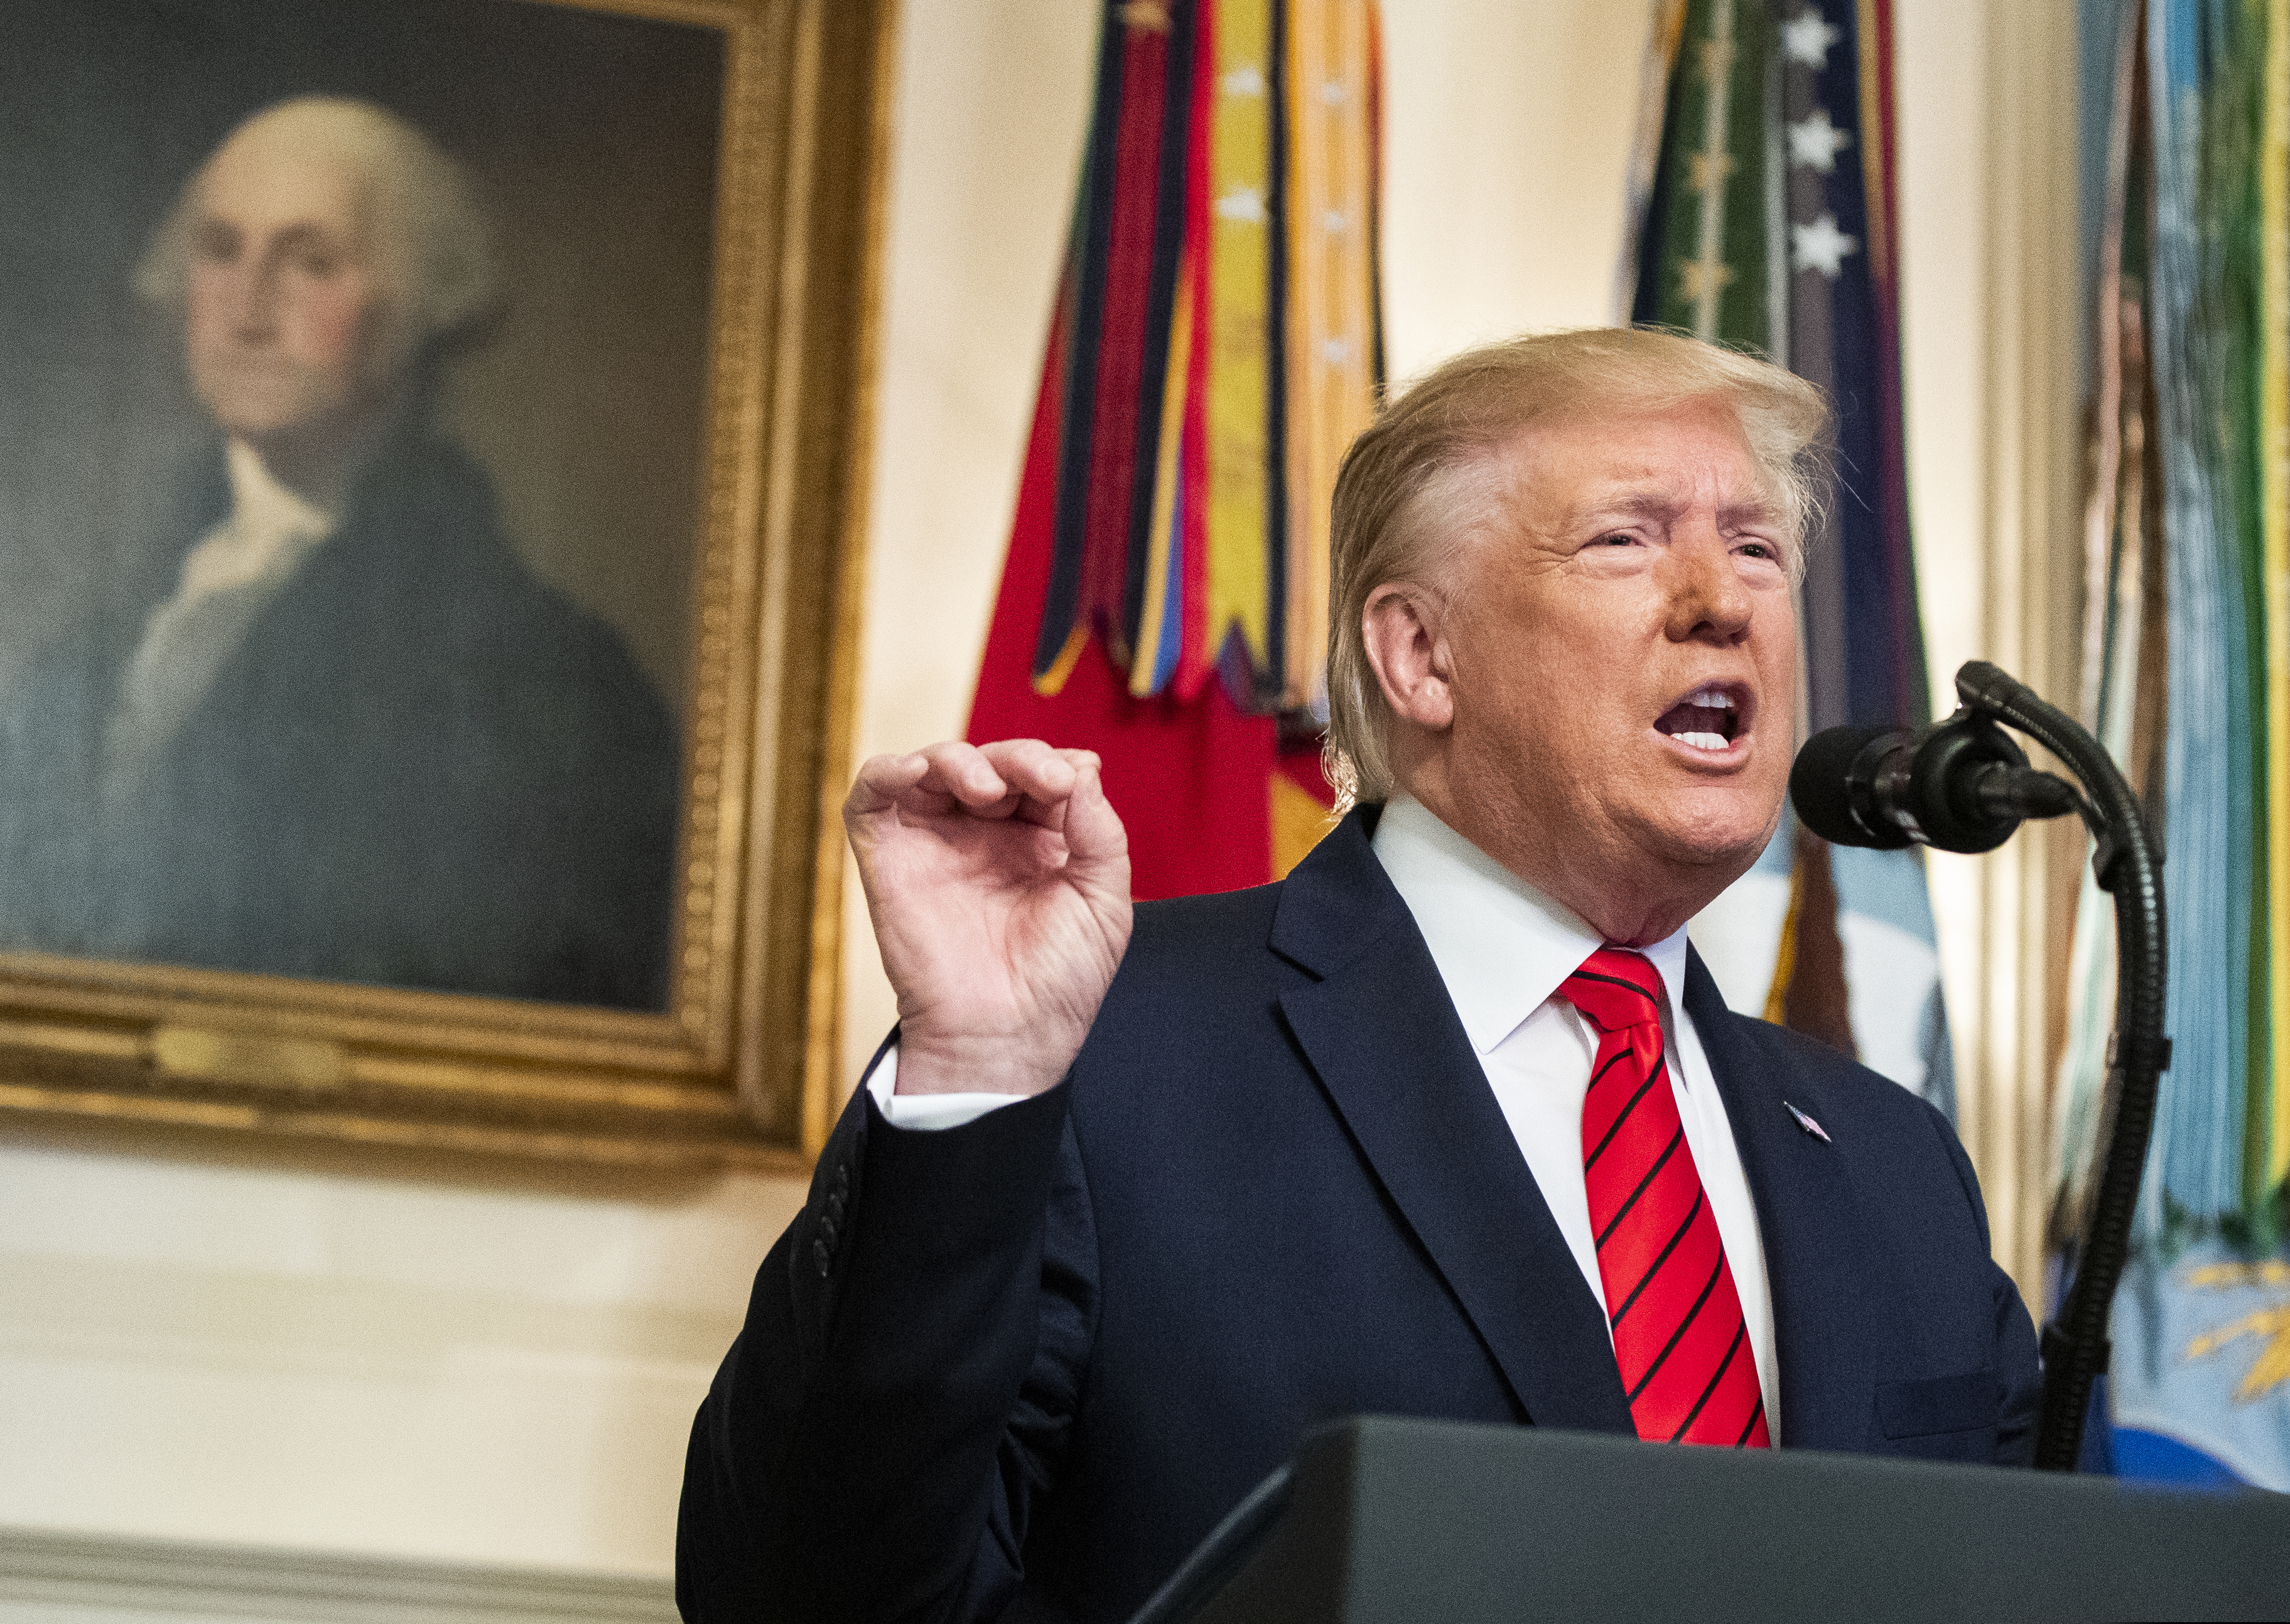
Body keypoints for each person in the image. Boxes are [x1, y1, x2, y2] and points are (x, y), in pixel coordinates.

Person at [677, 328, 2041, 1621]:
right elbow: (802, 1594)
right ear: (1420, 654)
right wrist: (973, 1086)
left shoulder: (1888, 1162)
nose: (1723, 605)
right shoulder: (1095, 1054)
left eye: (1754, 547)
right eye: (1625, 541)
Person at [0, 97, 679, 1009]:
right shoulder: (90, 650)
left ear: (408, 308)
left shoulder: (552, 686)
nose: (246, 310)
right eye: (220, 249)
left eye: (311, 262)